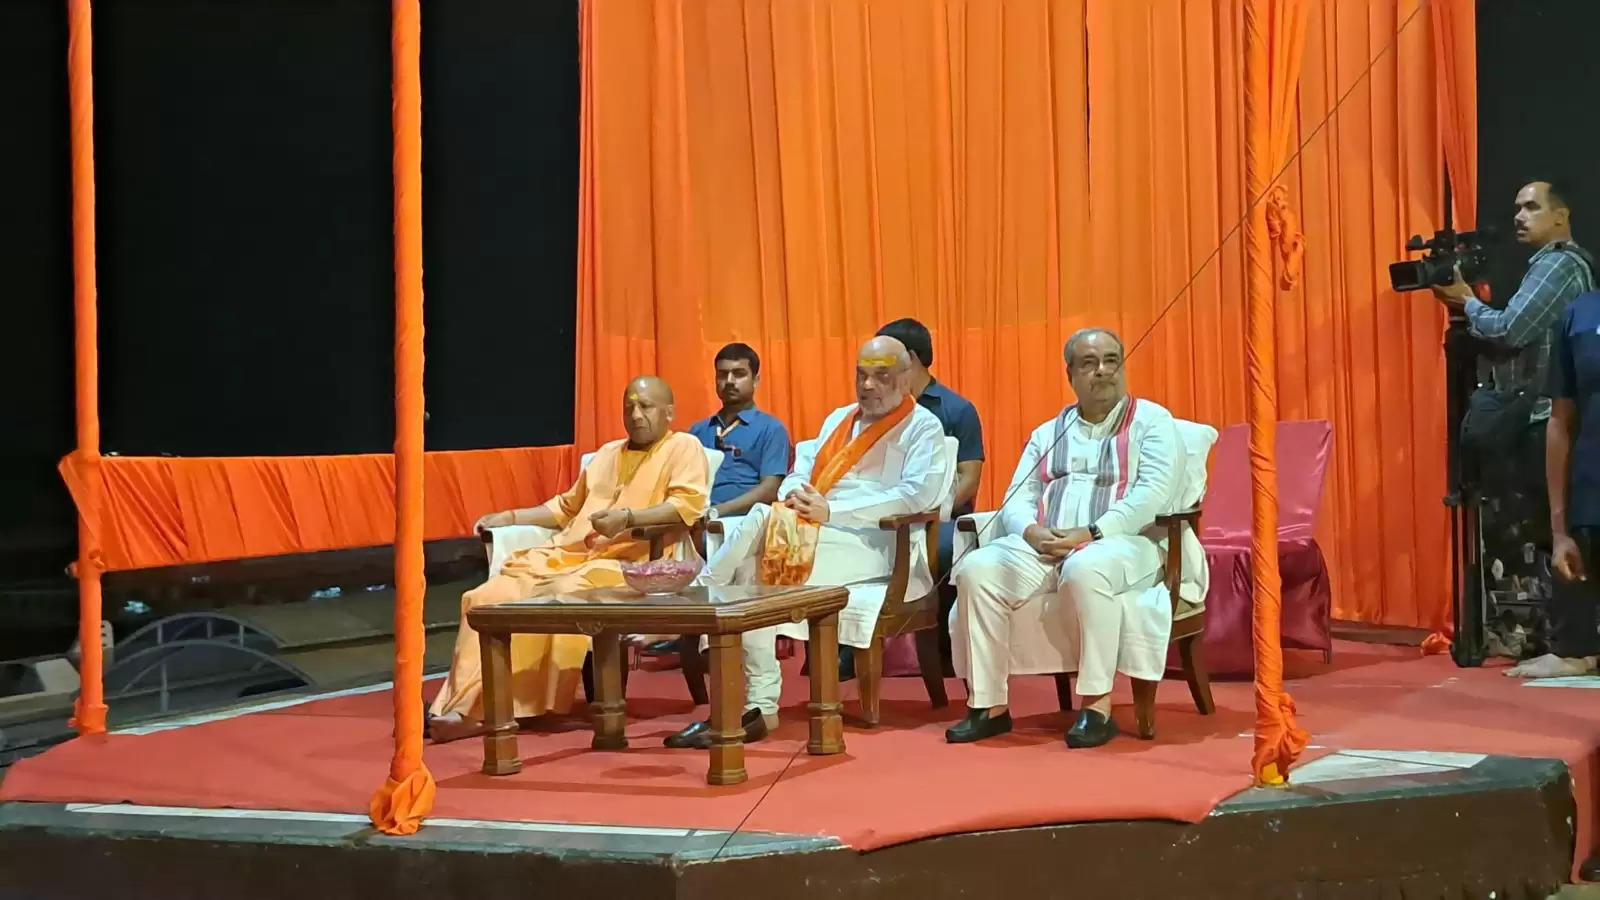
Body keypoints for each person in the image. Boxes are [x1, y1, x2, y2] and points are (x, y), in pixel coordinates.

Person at [663, 336, 951, 748]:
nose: (868, 386)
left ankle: (750, 688)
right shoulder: (839, 419)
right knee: (752, 561)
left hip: (877, 544)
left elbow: (918, 495)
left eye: (881, 376)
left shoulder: (923, 427)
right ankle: (754, 707)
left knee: (753, 546)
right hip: (813, 530)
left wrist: (832, 512)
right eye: (862, 375)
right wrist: (798, 494)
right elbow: (802, 468)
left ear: (907, 378)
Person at [945, 329, 1192, 748]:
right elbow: (1017, 496)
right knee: (976, 570)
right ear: (1070, 374)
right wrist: (1031, 531)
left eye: (1111, 360)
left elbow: (1154, 495)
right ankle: (990, 706)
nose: (1103, 371)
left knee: (1085, 566)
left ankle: (1096, 705)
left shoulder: (1153, 423)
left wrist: (1093, 533)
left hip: (1126, 543)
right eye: (1090, 363)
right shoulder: (1049, 432)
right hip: (1046, 544)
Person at [427, 376, 709, 743]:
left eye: (646, 406)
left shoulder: (684, 447)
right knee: (486, 597)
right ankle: (457, 706)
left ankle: (504, 708)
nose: (636, 415)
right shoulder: (608, 454)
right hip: (568, 555)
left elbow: (687, 506)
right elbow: (565, 507)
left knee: (559, 593)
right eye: (629, 407)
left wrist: (627, 519)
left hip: (630, 565)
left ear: (669, 412)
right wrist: (511, 516)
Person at [874, 318, 984, 674]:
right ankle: (850, 648)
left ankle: (944, 650)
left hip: (945, 516)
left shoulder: (956, 410)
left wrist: (933, 509)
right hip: (887, 512)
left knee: (941, 548)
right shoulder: (877, 410)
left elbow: (969, 477)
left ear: (910, 357)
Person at [1506, 290, 1600, 679]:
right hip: (1591, 494)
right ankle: (1576, 649)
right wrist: (1559, 530)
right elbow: (1560, 421)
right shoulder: (1580, 314)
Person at [687, 343, 792, 519]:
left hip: (745, 522)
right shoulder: (698, 431)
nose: (729, 381)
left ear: (756, 380)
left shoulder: (771, 429)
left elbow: (770, 490)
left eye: (739, 374)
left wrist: (716, 512)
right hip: (695, 520)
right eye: (722, 374)